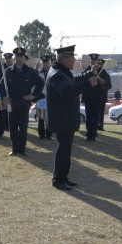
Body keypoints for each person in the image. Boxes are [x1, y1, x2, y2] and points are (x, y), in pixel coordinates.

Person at [46, 45, 98, 190]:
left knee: (66, 149)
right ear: (63, 59)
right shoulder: (56, 74)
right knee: (63, 149)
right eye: (71, 57)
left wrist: (88, 74)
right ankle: (58, 180)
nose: (74, 59)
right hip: (62, 119)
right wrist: (88, 83)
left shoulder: (62, 72)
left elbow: (73, 81)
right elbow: (67, 90)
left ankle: (63, 177)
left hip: (66, 118)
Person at [5, 47, 44, 156]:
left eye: (20, 56)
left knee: (23, 127)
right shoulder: (8, 71)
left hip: (23, 104)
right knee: (12, 127)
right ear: (14, 57)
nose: (18, 58)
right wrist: (4, 97)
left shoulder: (30, 71)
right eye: (16, 56)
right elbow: (1, 86)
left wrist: (33, 95)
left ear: (23, 57)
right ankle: (14, 149)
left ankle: (22, 149)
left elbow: (40, 83)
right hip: (12, 104)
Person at [80, 54, 110, 142]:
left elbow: (107, 85)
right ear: (89, 61)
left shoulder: (103, 72)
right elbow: (81, 81)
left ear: (97, 61)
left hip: (98, 98)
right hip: (88, 97)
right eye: (91, 61)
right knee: (89, 117)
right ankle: (88, 135)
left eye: (95, 61)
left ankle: (94, 135)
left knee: (96, 117)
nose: (93, 62)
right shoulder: (86, 70)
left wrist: (98, 77)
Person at [36, 55, 53, 139]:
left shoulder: (53, 72)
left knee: (50, 117)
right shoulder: (39, 73)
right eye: (44, 62)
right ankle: (41, 135)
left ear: (49, 62)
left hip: (50, 96)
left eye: (46, 62)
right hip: (41, 96)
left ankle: (49, 134)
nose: (45, 63)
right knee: (41, 117)